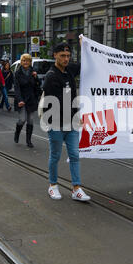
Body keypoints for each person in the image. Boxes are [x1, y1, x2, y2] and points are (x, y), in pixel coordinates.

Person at [41, 42, 91, 201]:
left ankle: (76, 188)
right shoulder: (51, 77)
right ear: (55, 55)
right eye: (62, 56)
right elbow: (57, 103)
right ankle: (53, 185)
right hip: (56, 123)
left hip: (72, 124)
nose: (66, 59)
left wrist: (85, 46)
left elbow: (86, 64)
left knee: (75, 155)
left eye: (68, 56)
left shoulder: (69, 70)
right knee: (55, 155)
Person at [13, 53, 40, 147]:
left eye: (27, 60)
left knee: (31, 120)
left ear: (30, 62)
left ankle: (28, 141)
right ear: (21, 62)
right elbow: (17, 88)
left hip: (31, 99)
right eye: (24, 60)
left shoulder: (33, 72)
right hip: (22, 99)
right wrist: (20, 99)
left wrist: (36, 78)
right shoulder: (17, 73)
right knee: (22, 119)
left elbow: (37, 86)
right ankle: (17, 133)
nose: (25, 62)